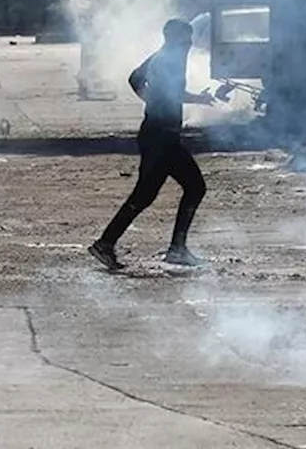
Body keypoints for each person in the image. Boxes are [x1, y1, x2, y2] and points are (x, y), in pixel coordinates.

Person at [89, 18, 216, 270]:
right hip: (162, 138)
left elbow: (134, 79)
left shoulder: (160, 56)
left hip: (158, 135)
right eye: (185, 39)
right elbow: (170, 93)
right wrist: (194, 99)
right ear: (173, 39)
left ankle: (107, 243)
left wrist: (153, 103)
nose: (189, 44)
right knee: (193, 187)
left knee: (147, 194)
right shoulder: (171, 60)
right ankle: (174, 248)